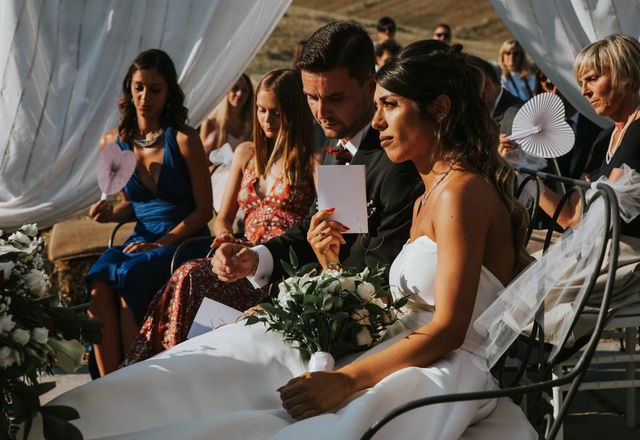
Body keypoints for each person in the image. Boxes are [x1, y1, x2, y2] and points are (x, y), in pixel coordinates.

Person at [44, 47, 536, 440]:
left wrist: (345, 380)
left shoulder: (463, 193)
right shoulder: (431, 187)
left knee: (251, 404)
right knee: (221, 355)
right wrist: (320, 271)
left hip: (434, 367)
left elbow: (449, 329)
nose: (379, 121)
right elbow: (377, 280)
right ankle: (79, 418)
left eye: (389, 106)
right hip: (389, 339)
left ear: (440, 110)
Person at [212, 21, 420, 295]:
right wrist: (254, 258)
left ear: (370, 86)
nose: (321, 112)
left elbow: (381, 278)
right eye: (311, 97)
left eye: (335, 98)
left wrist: (329, 269)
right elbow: (314, 228)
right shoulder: (340, 141)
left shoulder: (397, 162)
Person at [125, 69, 317, 363]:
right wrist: (225, 242)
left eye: (276, 112)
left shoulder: (312, 161)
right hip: (241, 255)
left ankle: (170, 365)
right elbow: (222, 218)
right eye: (261, 111)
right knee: (189, 275)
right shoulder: (246, 153)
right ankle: (160, 363)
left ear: (294, 112)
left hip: (282, 268)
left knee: (191, 275)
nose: (266, 120)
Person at [86, 49, 212, 377]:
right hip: (143, 237)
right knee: (99, 278)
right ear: (129, 88)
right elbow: (136, 204)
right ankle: (107, 381)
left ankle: (134, 377)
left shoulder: (184, 139)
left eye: (155, 89)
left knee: (131, 274)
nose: (145, 97)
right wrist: (111, 214)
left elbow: (204, 211)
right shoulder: (114, 143)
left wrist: (161, 243)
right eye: (139, 87)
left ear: (169, 92)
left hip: (186, 238)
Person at [539, 34, 640, 235]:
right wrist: (519, 171)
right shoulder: (604, 139)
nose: (585, 91)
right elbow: (571, 218)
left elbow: (595, 223)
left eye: (592, 79)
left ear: (624, 74)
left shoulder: (637, 132)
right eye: (581, 82)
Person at [199, 74, 254, 157]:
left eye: (245, 90)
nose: (239, 93)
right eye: (235, 88)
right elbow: (201, 159)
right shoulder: (210, 123)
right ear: (226, 91)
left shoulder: (252, 124)